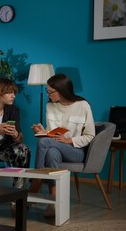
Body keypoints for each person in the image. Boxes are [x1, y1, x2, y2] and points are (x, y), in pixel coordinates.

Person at [31, 73, 95, 217]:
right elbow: (52, 136)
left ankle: (35, 183)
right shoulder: (50, 106)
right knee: (52, 152)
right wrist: (43, 131)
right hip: (55, 147)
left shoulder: (83, 105)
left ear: (62, 90)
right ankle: (54, 202)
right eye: (47, 91)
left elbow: (90, 136)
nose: (48, 95)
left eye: (51, 92)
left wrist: (70, 140)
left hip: (76, 151)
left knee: (44, 142)